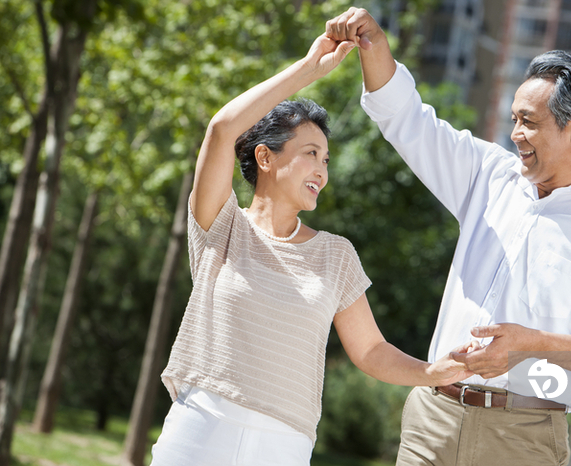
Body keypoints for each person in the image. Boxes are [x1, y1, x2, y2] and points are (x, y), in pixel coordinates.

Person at [326, 7, 571, 466]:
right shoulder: (489, 174)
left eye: (529, 121)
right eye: (514, 119)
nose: (515, 133)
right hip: (433, 418)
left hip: (525, 439)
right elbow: (409, 122)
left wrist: (529, 344)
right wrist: (376, 48)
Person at [150, 31, 478, 466]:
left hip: (284, 445)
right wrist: (309, 70)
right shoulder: (222, 226)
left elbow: (370, 351)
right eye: (309, 153)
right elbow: (221, 129)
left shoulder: (335, 255)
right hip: (201, 426)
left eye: (325, 159)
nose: (321, 171)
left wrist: (430, 372)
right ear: (265, 159)